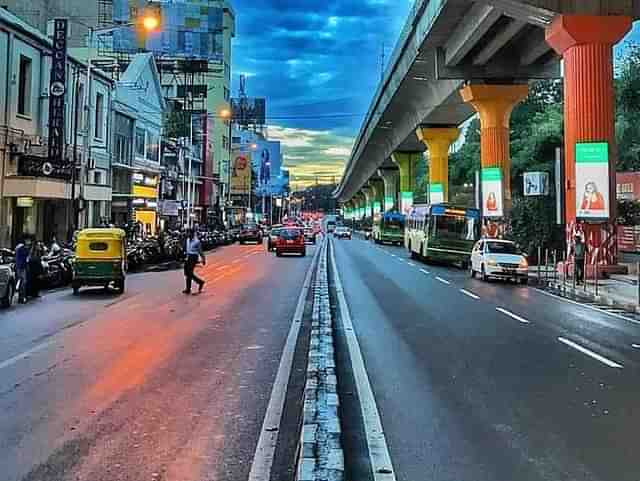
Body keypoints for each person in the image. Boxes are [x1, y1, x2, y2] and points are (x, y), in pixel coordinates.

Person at [183, 228, 206, 294]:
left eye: (188, 233)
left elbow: (200, 251)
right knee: (187, 273)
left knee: (189, 273)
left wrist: (203, 259)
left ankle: (200, 282)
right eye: (187, 232)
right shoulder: (187, 240)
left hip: (193, 257)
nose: (187, 234)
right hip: (188, 257)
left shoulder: (197, 241)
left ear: (192, 233)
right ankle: (188, 289)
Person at [15, 236, 30, 303]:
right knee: (23, 282)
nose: (29, 242)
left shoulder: (19, 247)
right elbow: (26, 256)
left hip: (19, 266)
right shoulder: (23, 248)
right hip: (22, 267)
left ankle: (21, 297)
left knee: (21, 282)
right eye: (28, 240)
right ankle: (22, 297)